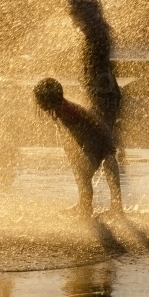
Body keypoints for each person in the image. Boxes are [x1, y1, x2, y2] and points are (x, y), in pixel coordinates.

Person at [34, 77, 122, 217]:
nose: (37, 103)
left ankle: (88, 208)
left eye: (39, 99)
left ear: (46, 100)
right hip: (93, 142)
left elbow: (92, 118)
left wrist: (107, 142)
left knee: (83, 175)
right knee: (82, 173)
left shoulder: (66, 109)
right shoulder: (59, 109)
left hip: (96, 143)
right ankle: (91, 205)